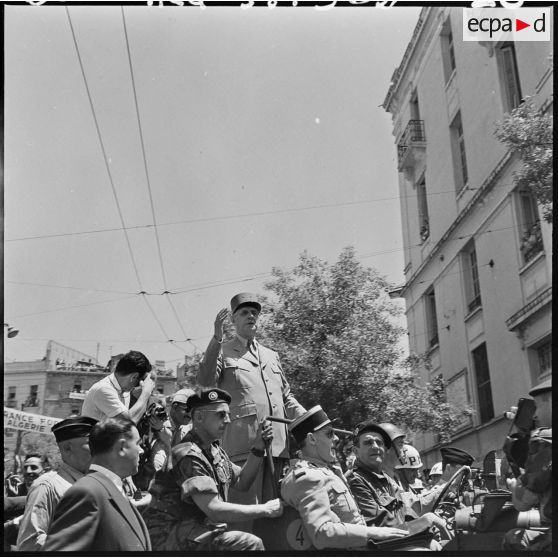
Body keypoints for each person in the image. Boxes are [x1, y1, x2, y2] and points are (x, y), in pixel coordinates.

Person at [198, 293, 305, 507]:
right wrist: (217, 339)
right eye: (244, 312)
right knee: (247, 515)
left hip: (278, 449)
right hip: (243, 451)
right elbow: (205, 383)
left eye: (254, 313)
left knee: (277, 515)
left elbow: (286, 397)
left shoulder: (271, 355)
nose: (251, 316)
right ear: (233, 320)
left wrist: (308, 418)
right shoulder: (222, 350)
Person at [143, 388, 283, 551]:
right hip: (168, 537)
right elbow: (214, 510)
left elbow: (242, 482)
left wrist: (259, 447)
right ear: (200, 417)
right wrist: (265, 509)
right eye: (221, 415)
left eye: (228, 414)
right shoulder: (188, 454)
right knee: (249, 543)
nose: (228, 420)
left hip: (194, 532)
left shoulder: (214, 452)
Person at [281, 407, 410, 550]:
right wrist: (373, 532)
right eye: (329, 434)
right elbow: (322, 534)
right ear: (312, 439)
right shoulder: (308, 477)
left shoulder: (327, 471)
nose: (336, 438)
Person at [43, 417, 151, 552]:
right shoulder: (87, 493)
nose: (141, 451)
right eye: (138, 443)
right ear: (122, 447)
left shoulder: (112, 490)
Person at [347, 421, 448, 545]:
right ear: (356, 451)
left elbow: (408, 514)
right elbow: (383, 527)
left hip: (404, 540)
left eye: (379, 442)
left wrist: (427, 526)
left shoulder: (386, 480)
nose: (375, 446)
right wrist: (424, 523)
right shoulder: (355, 481)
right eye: (368, 443)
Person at [16, 416, 97, 551]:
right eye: (91, 443)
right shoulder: (47, 486)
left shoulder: (95, 483)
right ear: (67, 448)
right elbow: (29, 543)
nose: (99, 449)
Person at [502, 379, 552, 552]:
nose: (535, 415)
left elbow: (522, 504)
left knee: (512, 539)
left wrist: (515, 486)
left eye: (537, 406)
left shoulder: (545, 439)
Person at [82, 350, 155, 424]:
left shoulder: (124, 391)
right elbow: (128, 423)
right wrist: (146, 393)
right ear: (134, 377)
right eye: (139, 381)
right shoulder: (104, 389)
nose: (138, 386)